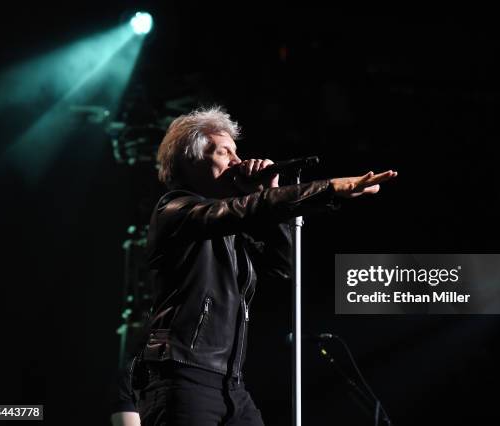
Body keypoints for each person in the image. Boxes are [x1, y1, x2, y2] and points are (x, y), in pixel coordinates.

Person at [135, 106, 397, 426]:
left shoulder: (231, 227)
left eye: (236, 152)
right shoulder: (175, 210)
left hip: (230, 384)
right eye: (224, 152)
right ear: (191, 161)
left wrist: (270, 191)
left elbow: (283, 264)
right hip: (184, 376)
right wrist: (330, 188)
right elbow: (242, 211)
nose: (236, 161)